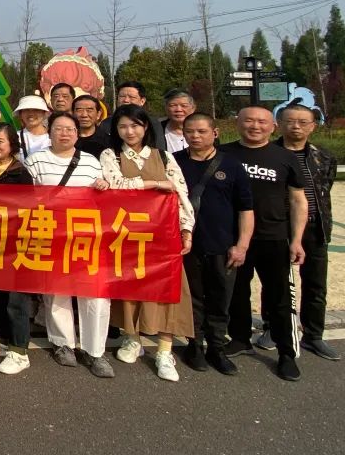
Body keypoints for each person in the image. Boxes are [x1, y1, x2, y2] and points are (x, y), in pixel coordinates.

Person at [100, 104, 196, 383]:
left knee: (168, 288)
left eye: (135, 125)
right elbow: (116, 184)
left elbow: (180, 193)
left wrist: (186, 229)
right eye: (123, 127)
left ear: (146, 127)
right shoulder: (111, 155)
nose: (129, 132)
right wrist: (154, 183)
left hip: (163, 235)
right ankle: (133, 338)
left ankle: (165, 351)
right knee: (130, 288)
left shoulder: (164, 156)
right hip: (127, 234)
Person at [24, 112, 114, 378]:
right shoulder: (35, 161)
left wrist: (104, 185)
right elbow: (26, 198)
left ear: (77, 133)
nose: (64, 133)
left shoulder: (90, 162)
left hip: (87, 237)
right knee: (56, 294)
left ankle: (95, 351)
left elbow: (105, 200)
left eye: (70, 129)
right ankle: (63, 344)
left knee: (95, 294)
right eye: (59, 128)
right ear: (49, 132)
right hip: (51, 236)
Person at [221, 106, 307, 382]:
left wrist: (296, 240)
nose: (255, 126)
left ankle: (286, 353)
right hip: (232, 237)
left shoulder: (285, 157)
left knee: (279, 298)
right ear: (238, 123)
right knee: (235, 292)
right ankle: (240, 337)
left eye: (261, 122)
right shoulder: (224, 153)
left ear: (273, 126)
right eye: (249, 121)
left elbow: (297, 201)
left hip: (273, 236)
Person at [174, 113, 253, 375]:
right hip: (187, 245)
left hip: (223, 245)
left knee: (221, 298)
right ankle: (195, 345)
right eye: (190, 132)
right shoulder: (175, 163)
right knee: (192, 298)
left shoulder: (231, 165)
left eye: (201, 131)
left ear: (214, 133)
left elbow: (246, 209)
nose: (195, 136)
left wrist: (241, 245)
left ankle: (217, 348)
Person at [272, 103, 337, 361]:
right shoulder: (270, 154)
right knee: (275, 282)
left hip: (315, 227)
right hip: (278, 226)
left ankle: (313, 335)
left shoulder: (324, 157)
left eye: (302, 122)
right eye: (290, 121)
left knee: (315, 283)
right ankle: (272, 328)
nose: (295, 126)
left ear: (313, 125)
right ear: (280, 123)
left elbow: (324, 189)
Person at [0, 122, 36, 375]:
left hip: (13, 243)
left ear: (12, 144)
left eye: (0, 141)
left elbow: (27, 210)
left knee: (16, 298)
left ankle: (19, 350)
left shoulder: (20, 173)